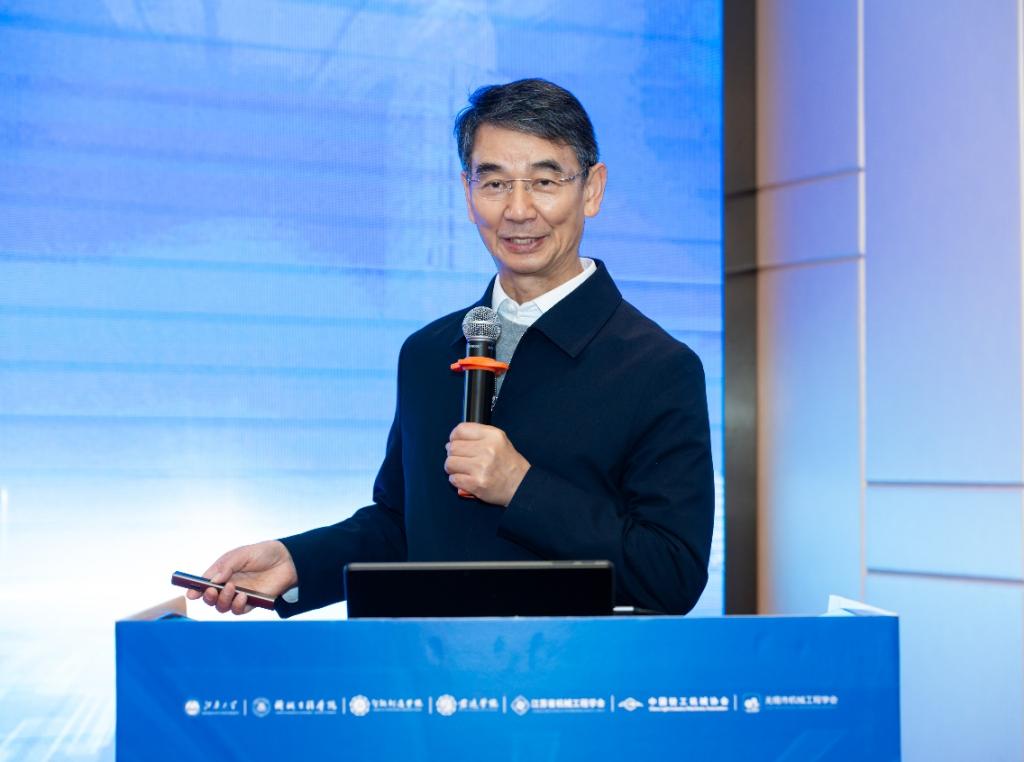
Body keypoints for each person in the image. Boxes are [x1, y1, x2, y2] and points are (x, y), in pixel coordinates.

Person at [189, 78, 714, 617]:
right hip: (430, 663)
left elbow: (671, 573)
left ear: (592, 189)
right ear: (468, 193)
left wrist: (520, 487)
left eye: (544, 181)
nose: (518, 210)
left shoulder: (657, 367)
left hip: (569, 667)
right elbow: (402, 524)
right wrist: (298, 562)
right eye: (495, 183)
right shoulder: (427, 352)